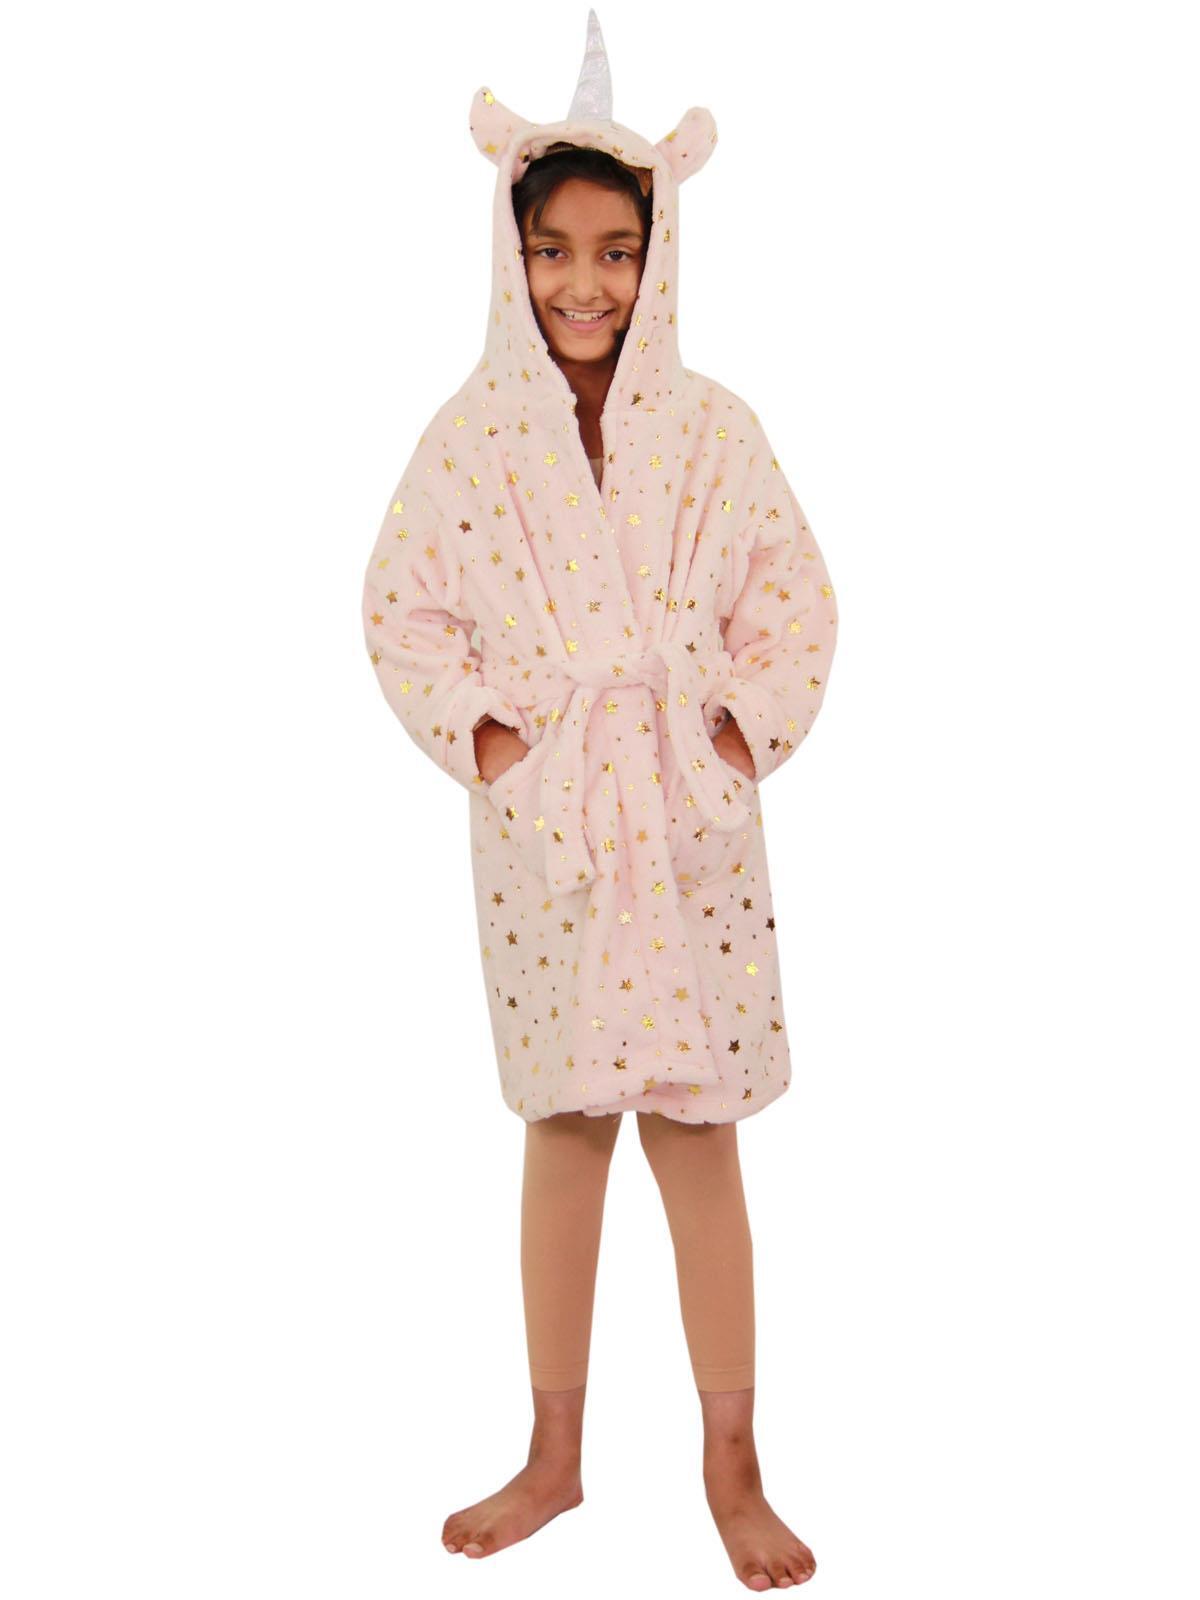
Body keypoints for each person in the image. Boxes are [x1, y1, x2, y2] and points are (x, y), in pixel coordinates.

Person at [361, 17, 837, 1591]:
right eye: (554, 249)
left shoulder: (714, 429)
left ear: (660, 254)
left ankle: (733, 1464)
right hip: (552, 831)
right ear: (510, 254)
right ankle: (554, 1456)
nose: (585, 283)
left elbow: (796, 600)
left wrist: (734, 732)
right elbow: (400, 610)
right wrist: (495, 745)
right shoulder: (470, 437)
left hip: (686, 821)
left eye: (618, 251)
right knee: (563, 1127)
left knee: (699, 1139)